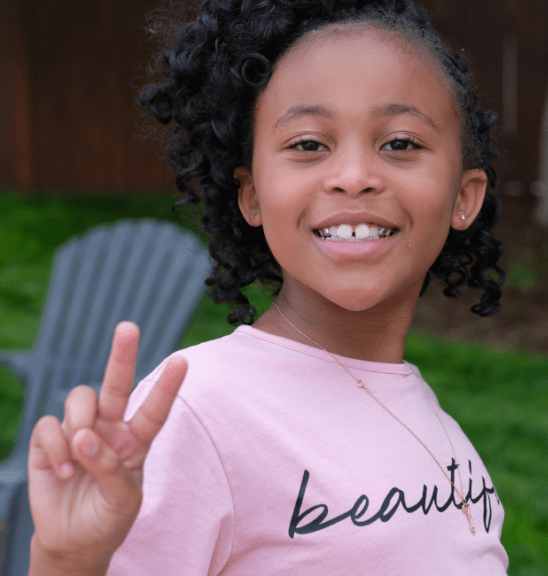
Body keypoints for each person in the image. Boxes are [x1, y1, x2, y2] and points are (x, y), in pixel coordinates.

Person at [27, 0, 508, 574]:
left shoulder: (430, 418)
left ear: (463, 197)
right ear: (251, 196)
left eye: (400, 143)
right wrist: (68, 560)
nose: (353, 177)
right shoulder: (203, 409)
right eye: (308, 144)